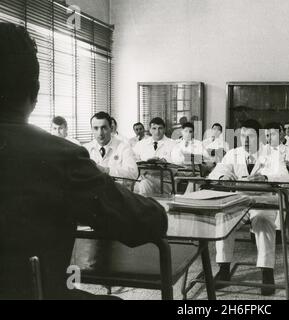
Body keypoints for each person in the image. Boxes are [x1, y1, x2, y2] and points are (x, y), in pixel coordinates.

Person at [0, 22, 167, 299]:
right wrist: (157, 212)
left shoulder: (106, 148)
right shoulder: (60, 156)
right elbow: (143, 222)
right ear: (35, 91)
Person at [208, 119, 289, 296]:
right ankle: (224, 269)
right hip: (238, 201)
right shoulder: (233, 154)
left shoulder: (272, 154)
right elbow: (216, 172)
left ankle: (266, 272)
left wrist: (267, 178)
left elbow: (285, 176)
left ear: (259, 137)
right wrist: (223, 177)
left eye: (251, 136)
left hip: (263, 200)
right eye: (243, 136)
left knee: (262, 220)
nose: (246, 140)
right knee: (223, 219)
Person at [84, 112, 138, 180]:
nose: (100, 133)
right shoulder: (86, 149)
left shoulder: (124, 147)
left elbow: (133, 173)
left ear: (111, 128)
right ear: (91, 129)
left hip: (116, 188)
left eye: (104, 128)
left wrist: (106, 170)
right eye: (96, 128)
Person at [133, 117, 176, 196]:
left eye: (160, 128)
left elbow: (177, 167)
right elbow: (133, 161)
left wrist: (164, 162)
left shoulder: (173, 144)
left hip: (164, 181)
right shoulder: (140, 144)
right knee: (141, 185)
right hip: (143, 177)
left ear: (164, 129)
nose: (157, 132)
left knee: (143, 185)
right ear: (150, 130)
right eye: (154, 128)